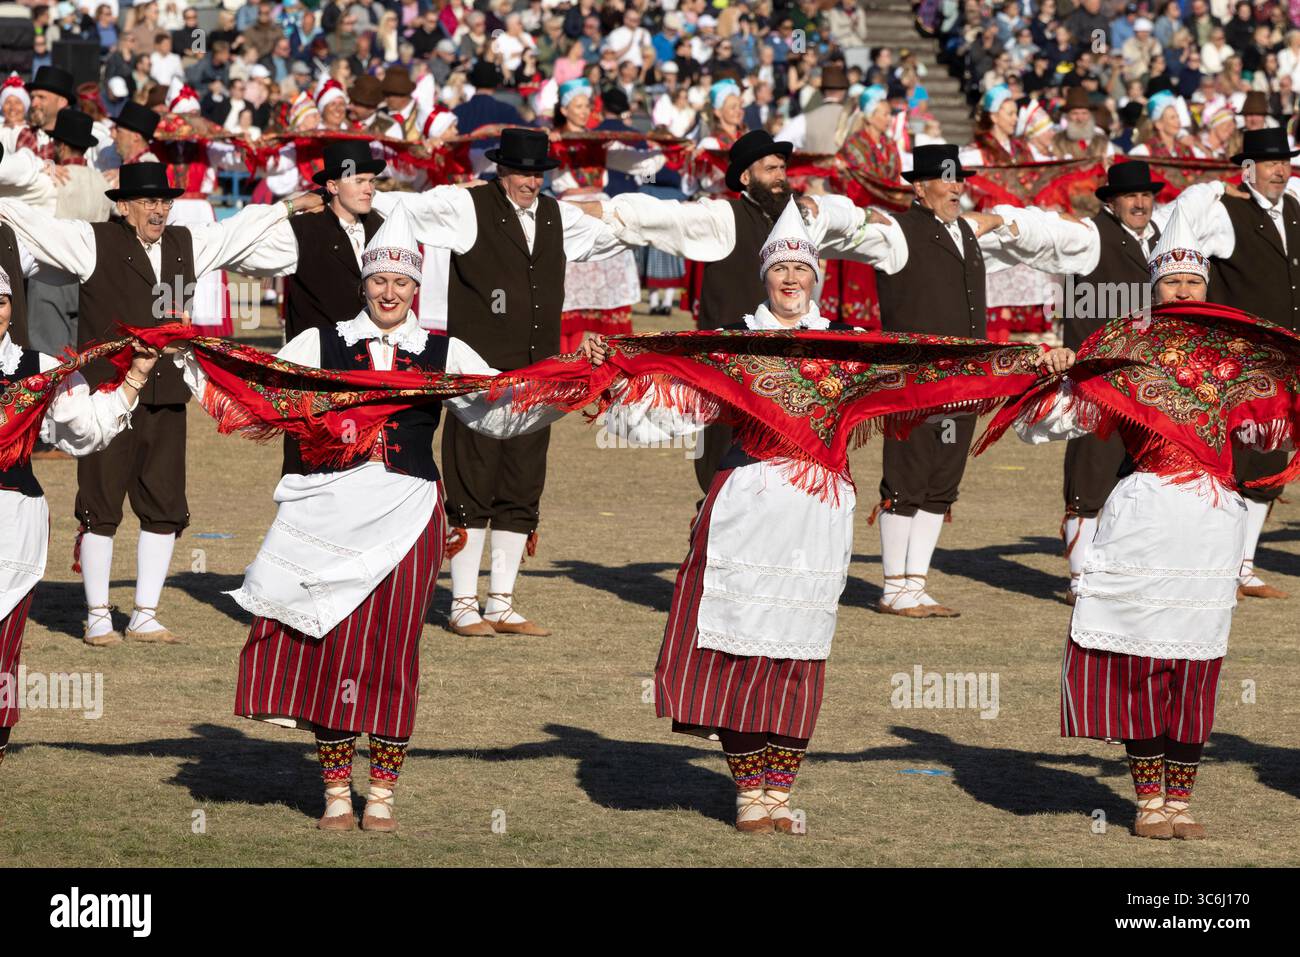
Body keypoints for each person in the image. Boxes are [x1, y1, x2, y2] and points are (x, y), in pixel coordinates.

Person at [184, 209, 539, 830]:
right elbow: (262, 392)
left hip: (409, 516)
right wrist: (192, 354)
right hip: (330, 514)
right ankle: (336, 794)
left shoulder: (442, 349)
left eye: (403, 283)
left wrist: (571, 387)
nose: (390, 292)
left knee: (394, 653)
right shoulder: (320, 343)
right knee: (336, 651)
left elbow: (499, 410)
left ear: (417, 289)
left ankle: (383, 793)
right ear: (364, 283)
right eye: (380, 281)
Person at [579, 202, 866, 833]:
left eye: (801, 267)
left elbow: (932, 374)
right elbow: (674, 393)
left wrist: (1025, 366)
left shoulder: (848, 346)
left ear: (816, 275)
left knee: (798, 651)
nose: (790, 279)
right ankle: (748, 793)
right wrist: (616, 379)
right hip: (749, 505)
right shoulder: (731, 342)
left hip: (819, 517)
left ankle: (780, 790)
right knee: (737, 644)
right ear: (764, 277)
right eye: (779, 269)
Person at [1010, 212, 1275, 840]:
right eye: (1172, 281)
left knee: (1195, 663)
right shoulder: (1123, 348)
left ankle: (1179, 800)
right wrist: (1055, 372)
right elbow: (1046, 423)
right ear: (1153, 285)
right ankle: (1149, 800)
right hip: (1147, 513)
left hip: (1212, 522)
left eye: (1194, 281)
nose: (1184, 291)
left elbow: (1268, 426)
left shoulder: (1236, 355)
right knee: (1143, 656)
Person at [0, 165, 325, 646]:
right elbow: (32, 223)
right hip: (106, 391)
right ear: (122, 205)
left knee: (164, 500)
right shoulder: (93, 241)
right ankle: (96, 614)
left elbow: (235, 232)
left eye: (165, 201)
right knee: (100, 501)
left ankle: (145, 612)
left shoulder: (186, 244)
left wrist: (288, 206)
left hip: (168, 388)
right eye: (147, 201)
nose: (158, 209)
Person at [383, 128, 630, 637]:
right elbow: (404, 208)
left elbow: (616, 231)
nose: (530, 181)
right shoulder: (466, 207)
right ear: (501, 169)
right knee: (472, 483)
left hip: (539, 377)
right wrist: (357, 201)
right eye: (521, 172)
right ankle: (461, 604)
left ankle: (501, 601)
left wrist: (616, 212)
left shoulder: (557, 215)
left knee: (521, 484)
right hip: (478, 376)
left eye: (537, 173)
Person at [837, 143, 1096, 617]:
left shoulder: (966, 231)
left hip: (964, 385)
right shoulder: (897, 231)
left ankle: (915, 583)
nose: (957, 186)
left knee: (942, 484)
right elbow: (850, 231)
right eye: (947, 178)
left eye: (960, 178)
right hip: (914, 382)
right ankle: (893, 586)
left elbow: (1018, 225)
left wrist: (999, 219)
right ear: (919, 186)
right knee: (906, 478)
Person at [0, 266, 158, 771]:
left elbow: (84, 434)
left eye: (0, 302)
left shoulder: (40, 367)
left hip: (12, 522)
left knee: (3, 645)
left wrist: (135, 377)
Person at [1169, 126, 1300, 600]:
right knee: (1228, 459)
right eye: (1269, 163)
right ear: (1247, 170)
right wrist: (1216, 188)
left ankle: (1243, 564)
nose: (1279, 170)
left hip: (1287, 362)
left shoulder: (1295, 207)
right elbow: (1179, 224)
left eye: (1284, 162)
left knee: (1270, 460)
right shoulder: (1224, 212)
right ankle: (1210, 562)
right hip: (1239, 360)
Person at [1057, 161, 1170, 602]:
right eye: (1131, 197)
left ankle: (1124, 568)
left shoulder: (1161, 241)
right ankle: (1079, 576)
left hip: (1149, 379)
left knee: (1140, 478)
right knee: (1091, 474)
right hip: (1100, 376)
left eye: (1147, 196)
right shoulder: (1089, 237)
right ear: (1112, 201)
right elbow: (1074, 299)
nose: (1141, 203)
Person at [551, 79, 664, 352]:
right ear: (564, 110)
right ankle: (564, 361)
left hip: (600, 214)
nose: (582, 110)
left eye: (586, 105)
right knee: (566, 294)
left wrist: (662, 149)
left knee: (607, 292)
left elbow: (640, 165)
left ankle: (610, 360)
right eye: (577, 106)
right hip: (570, 213)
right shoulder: (552, 140)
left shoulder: (601, 143)